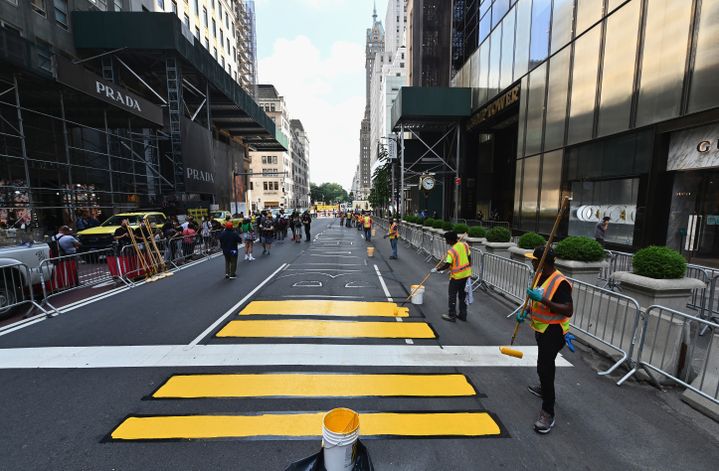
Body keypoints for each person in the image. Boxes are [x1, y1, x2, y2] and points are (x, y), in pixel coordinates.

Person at [517, 246, 574, 434]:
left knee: (545, 367)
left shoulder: (561, 282)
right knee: (543, 366)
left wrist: (544, 301)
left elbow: (567, 309)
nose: (531, 262)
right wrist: (526, 311)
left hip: (555, 331)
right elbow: (536, 301)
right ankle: (543, 387)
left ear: (540, 262)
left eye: (533, 260)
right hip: (541, 329)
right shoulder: (539, 276)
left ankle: (548, 412)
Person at [431, 231, 472, 323]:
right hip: (466, 275)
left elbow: (447, 265)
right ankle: (463, 315)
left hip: (456, 277)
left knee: (452, 295)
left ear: (450, 240)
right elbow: (469, 257)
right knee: (462, 295)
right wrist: (468, 266)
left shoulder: (451, 251)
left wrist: (437, 269)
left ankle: (452, 315)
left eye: (446, 240)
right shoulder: (465, 245)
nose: (446, 241)